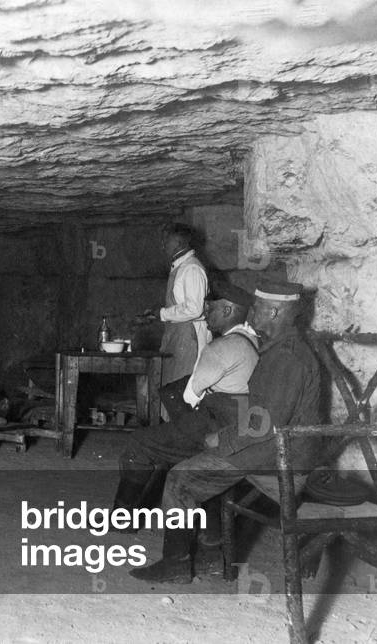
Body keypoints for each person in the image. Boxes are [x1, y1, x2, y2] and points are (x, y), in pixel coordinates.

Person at [129, 281, 323, 584]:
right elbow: (261, 412)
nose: (251, 314)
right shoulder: (278, 350)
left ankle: (176, 564)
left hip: (279, 458)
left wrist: (222, 439)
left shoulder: (287, 357)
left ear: (274, 311)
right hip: (273, 448)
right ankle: (209, 560)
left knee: (181, 478)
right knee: (201, 465)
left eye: (257, 308)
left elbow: (264, 423)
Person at [113, 281, 259, 538]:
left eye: (210, 308)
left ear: (227, 310)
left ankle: (122, 519)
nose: (205, 314)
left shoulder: (221, 347)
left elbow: (191, 396)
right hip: (240, 422)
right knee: (173, 433)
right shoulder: (252, 340)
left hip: (216, 424)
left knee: (140, 442)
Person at [144, 224, 210, 388]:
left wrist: (163, 314)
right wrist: (158, 314)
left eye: (167, 240)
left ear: (180, 243)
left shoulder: (191, 268)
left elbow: (194, 309)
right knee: (170, 386)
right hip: (178, 336)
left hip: (189, 338)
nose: (163, 244)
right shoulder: (180, 267)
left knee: (181, 388)